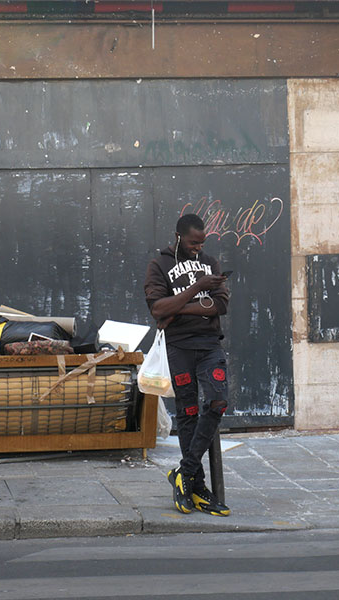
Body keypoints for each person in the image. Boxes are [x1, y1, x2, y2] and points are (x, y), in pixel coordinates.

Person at [144, 213, 231, 517]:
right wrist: (197, 290)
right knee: (188, 413)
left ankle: (184, 472)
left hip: (209, 345)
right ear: (180, 236)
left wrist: (177, 309)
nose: (198, 248)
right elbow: (158, 308)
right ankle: (196, 484)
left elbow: (220, 305)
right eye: (194, 243)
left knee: (218, 400)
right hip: (179, 347)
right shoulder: (160, 265)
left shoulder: (211, 262)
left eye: (202, 243)